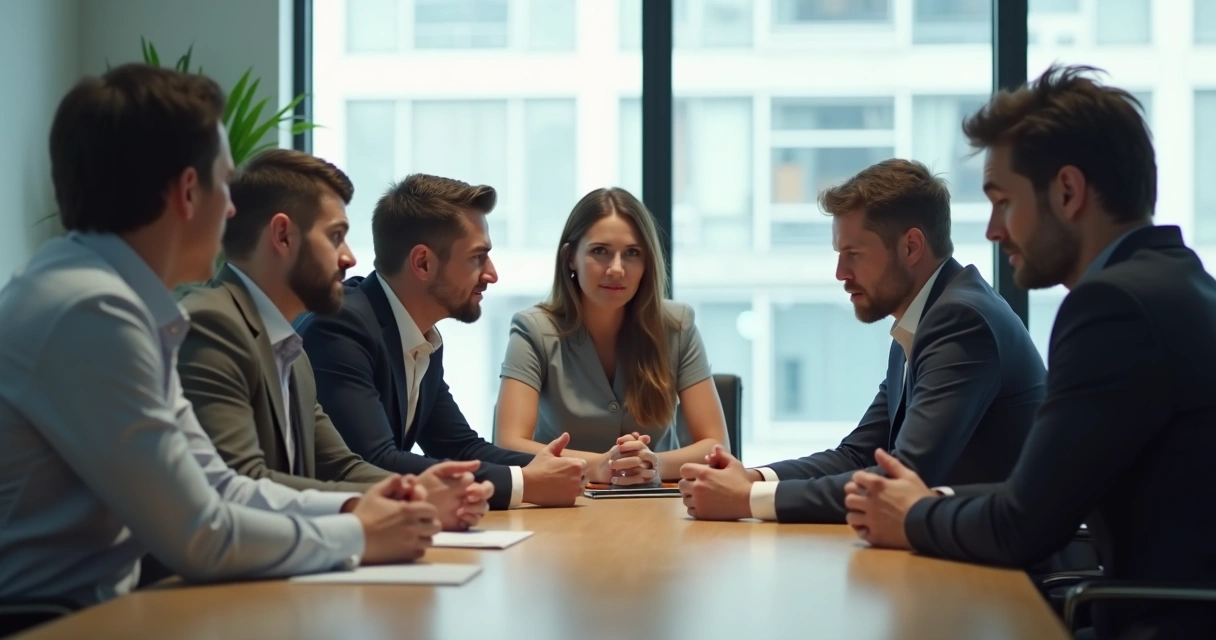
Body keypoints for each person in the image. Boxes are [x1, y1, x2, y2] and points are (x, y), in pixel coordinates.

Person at [0, 64, 437, 606]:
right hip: (46, 620)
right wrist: (359, 535)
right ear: (188, 191)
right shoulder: (92, 310)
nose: (232, 210)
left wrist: (352, 510)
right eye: (224, 185)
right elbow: (198, 534)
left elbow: (220, 487)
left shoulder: (109, 299)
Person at [842, 65, 1216, 640]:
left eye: (1003, 201)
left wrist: (912, 514)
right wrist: (926, 500)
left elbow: (1023, 525)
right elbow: (1041, 496)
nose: (993, 230)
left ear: (1067, 192)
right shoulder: (1178, 283)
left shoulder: (1112, 308)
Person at [678, 159, 1045, 523]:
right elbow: (857, 455)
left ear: (911, 247)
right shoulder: (922, 318)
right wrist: (752, 478)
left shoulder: (961, 322)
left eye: (853, 255)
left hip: (1004, 573)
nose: (840, 274)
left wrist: (747, 500)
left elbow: (902, 478)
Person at [178, 149, 492, 531]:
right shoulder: (213, 323)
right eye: (336, 236)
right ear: (282, 236)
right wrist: (393, 503)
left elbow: (342, 466)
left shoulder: (290, 346)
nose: (349, 257)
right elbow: (240, 481)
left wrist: (418, 492)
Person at [298, 174, 587, 509]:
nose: (492, 273)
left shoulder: (422, 336)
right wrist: (524, 483)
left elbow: (460, 447)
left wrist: (560, 468)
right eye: (478, 257)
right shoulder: (341, 326)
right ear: (422, 263)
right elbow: (374, 461)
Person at [494, 187, 729, 486]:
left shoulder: (677, 326)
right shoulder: (533, 330)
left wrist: (654, 465)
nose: (616, 269)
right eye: (599, 251)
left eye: (632, 253)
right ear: (570, 258)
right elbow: (508, 444)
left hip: (654, 508)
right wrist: (597, 466)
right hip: (561, 508)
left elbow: (716, 445)